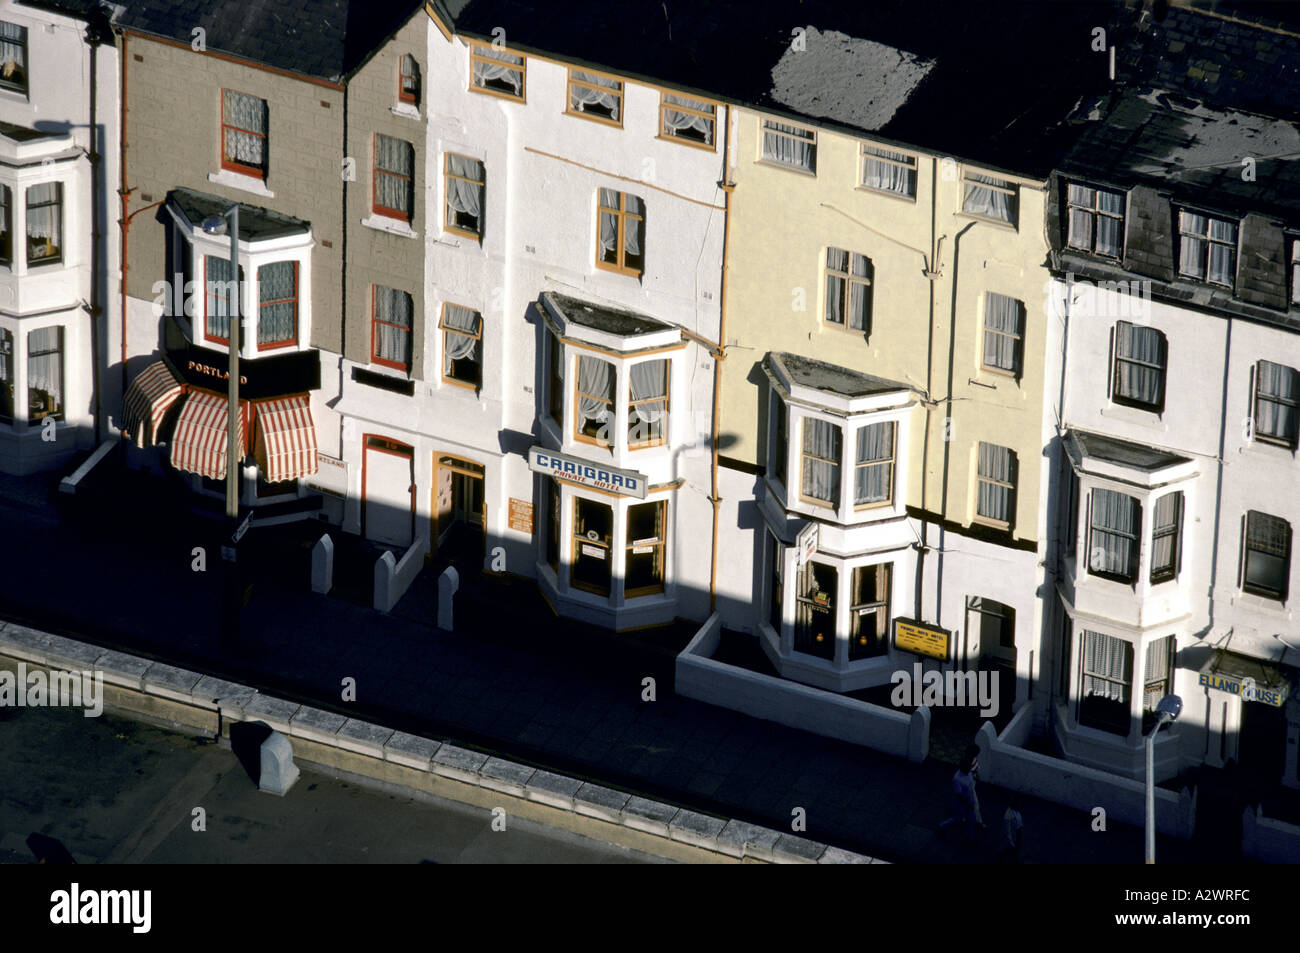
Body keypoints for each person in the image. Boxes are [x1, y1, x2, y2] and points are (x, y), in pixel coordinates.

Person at [939, 745, 986, 840]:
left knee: (971, 817)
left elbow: (973, 780)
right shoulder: (957, 779)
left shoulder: (968, 773)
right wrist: (968, 804)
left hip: (969, 799)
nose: (970, 769)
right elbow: (959, 795)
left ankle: (970, 835)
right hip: (962, 802)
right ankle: (942, 826)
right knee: (957, 819)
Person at [997, 796, 1024, 862]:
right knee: (1009, 848)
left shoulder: (1016, 811)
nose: (1019, 805)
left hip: (1017, 832)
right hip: (1012, 835)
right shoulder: (1008, 814)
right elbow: (1007, 830)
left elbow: (1019, 821)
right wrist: (1011, 841)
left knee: (1016, 847)